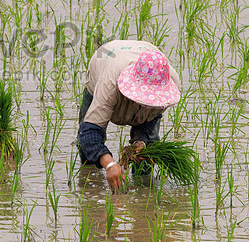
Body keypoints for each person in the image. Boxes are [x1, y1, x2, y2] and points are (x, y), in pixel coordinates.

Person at [77, 40, 181, 192]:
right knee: (85, 145)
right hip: (106, 59)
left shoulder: (170, 84)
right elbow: (90, 132)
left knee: (146, 150)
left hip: (143, 52)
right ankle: (90, 186)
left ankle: (143, 193)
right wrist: (110, 164)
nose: (146, 105)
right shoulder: (109, 84)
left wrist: (140, 142)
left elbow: (151, 120)